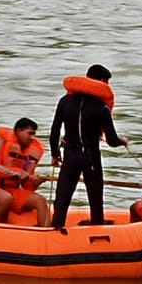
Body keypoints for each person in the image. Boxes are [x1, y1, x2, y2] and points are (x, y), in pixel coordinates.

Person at [49, 64, 128, 228]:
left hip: (70, 153)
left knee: (63, 195)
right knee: (95, 196)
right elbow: (112, 141)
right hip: (90, 155)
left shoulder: (65, 101)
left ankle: (56, 228)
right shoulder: (101, 108)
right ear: (102, 81)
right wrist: (122, 141)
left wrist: (55, 154)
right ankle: (97, 228)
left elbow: (55, 130)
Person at [0, 117, 50, 226]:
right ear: (18, 131)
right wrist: (18, 173)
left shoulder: (31, 153)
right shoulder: (1, 143)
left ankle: (45, 232)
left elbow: (26, 186)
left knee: (41, 201)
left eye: (34, 134)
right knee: (5, 198)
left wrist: (34, 182)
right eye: (29, 133)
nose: (32, 138)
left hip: (12, 191)